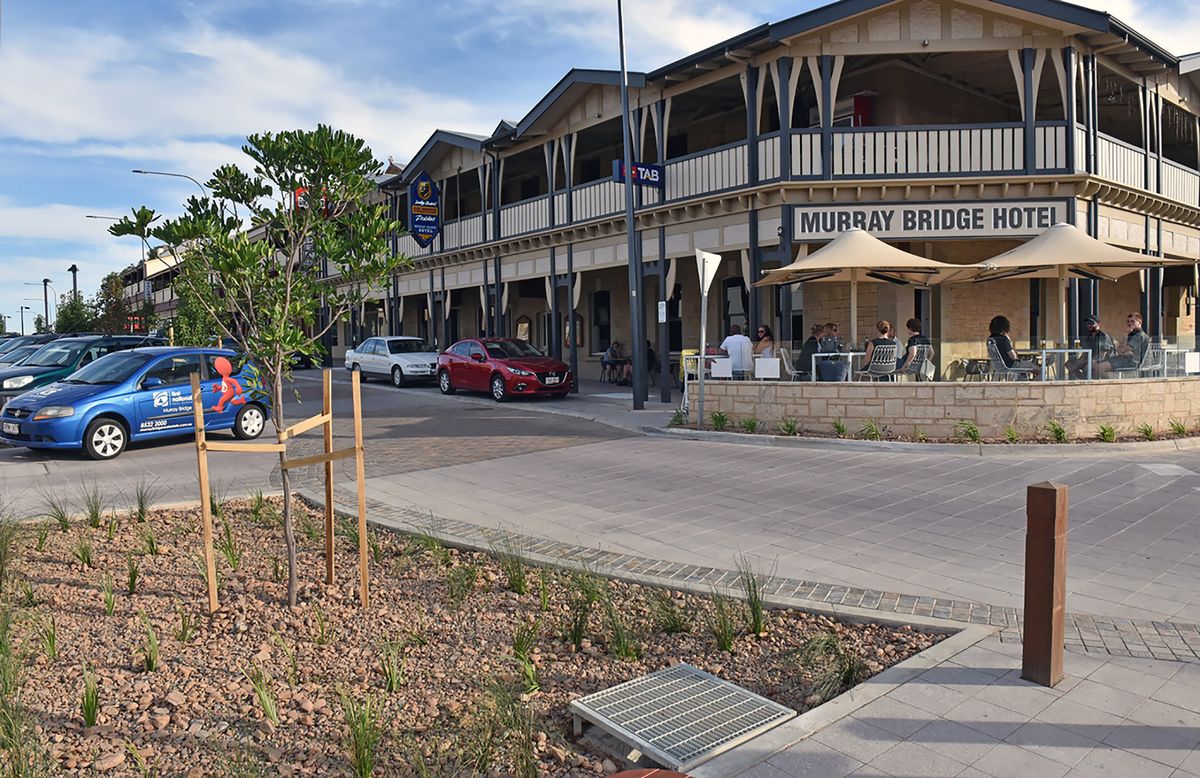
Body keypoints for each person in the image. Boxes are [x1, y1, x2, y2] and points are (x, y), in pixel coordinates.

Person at [1096, 312, 1150, 378]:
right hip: (1121, 359)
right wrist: (1123, 351)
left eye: (1132, 321)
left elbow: (1123, 349)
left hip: (1131, 362)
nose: (1130, 324)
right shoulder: (1132, 334)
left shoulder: (1139, 335)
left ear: (1140, 322)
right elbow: (1118, 350)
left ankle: (1111, 385)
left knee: (1098, 368)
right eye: (1128, 322)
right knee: (1093, 367)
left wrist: (1125, 335)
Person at [1066, 315, 1115, 379]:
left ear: (1098, 324)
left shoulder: (1103, 336)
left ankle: (1090, 382)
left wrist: (1090, 361)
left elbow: (1102, 354)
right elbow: (1085, 354)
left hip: (1104, 360)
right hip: (1089, 360)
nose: (1089, 325)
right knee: (1069, 364)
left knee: (1087, 368)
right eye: (1088, 323)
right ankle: (1084, 381)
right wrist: (1079, 361)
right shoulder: (1087, 337)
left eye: (1091, 323)